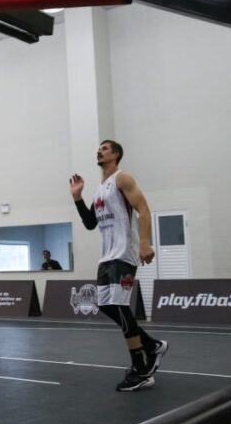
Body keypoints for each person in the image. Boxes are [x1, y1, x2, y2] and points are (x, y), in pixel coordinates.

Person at [70, 140, 169, 392]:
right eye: (98, 148)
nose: (99, 151)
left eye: (104, 148)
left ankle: (140, 369)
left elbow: (144, 209)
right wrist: (78, 198)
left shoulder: (122, 179)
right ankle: (151, 345)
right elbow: (91, 223)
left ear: (115, 155)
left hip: (124, 254)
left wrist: (144, 242)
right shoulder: (100, 188)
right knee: (105, 304)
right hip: (107, 256)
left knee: (121, 307)